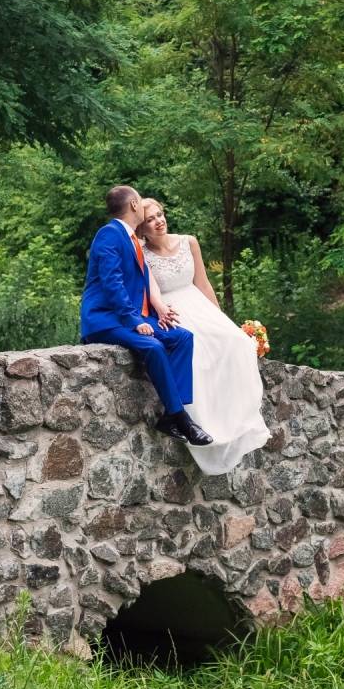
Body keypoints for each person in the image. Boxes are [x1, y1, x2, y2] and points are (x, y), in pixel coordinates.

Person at [138, 199, 269, 475]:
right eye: (150, 219)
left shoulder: (189, 242)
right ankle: (200, 425)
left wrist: (222, 320)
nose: (159, 221)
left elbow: (203, 283)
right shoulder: (142, 253)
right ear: (142, 227)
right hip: (171, 312)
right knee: (198, 355)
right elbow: (148, 293)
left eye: (160, 215)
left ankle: (236, 418)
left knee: (235, 343)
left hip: (198, 304)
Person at [80, 186, 213, 446]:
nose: (143, 206)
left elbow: (140, 283)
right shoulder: (109, 234)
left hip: (127, 316)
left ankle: (169, 416)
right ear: (133, 205)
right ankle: (181, 418)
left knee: (182, 337)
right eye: (140, 201)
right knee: (153, 346)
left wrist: (156, 312)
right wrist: (135, 321)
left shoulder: (131, 238)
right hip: (104, 319)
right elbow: (112, 283)